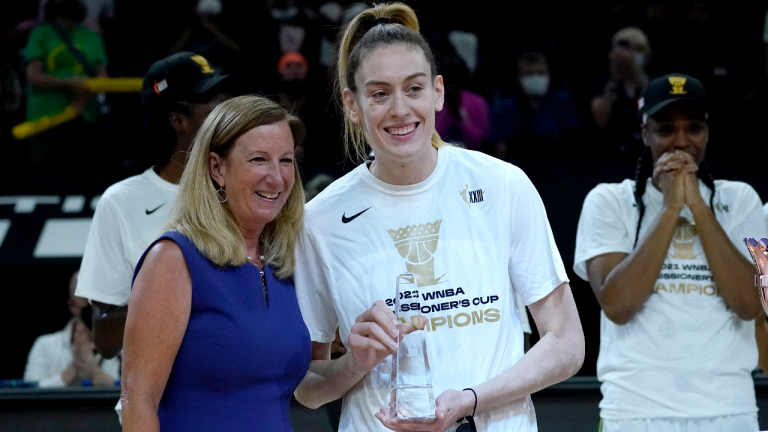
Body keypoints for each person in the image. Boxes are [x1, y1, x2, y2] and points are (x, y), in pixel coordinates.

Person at [292, 4, 585, 432]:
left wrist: (470, 401)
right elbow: (307, 387)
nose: (399, 109)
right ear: (351, 105)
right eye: (379, 93)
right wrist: (356, 361)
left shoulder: (503, 185)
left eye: (414, 88)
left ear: (438, 92)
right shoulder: (321, 219)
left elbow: (566, 343)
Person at [574, 73, 764, 432]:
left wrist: (698, 206)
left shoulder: (741, 200)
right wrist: (670, 209)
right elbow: (617, 305)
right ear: (645, 133)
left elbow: (751, 304)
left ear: (707, 132)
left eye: (693, 128)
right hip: (634, 413)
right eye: (665, 130)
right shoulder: (609, 201)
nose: (681, 142)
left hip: (730, 411)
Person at [121, 95, 310, 431]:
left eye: (285, 160)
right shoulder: (172, 259)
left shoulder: (284, 262)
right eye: (258, 159)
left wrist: (359, 360)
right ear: (216, 168)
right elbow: (138, 401)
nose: (277, 177)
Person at [74, 52, 233, 421]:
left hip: (245, 401)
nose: (228, 108)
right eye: (213, 100)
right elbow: (106, 338)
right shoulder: (122, 202)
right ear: (178, 119)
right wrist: (177, 296)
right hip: (160, 410)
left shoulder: (246, 188)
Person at [24, 0, 107, 186]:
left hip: (83, 116)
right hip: (46, 117)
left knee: (84, 175)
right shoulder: (40, 34)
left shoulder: (91, 37)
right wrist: (72, 84)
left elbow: (102, 78)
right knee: (44, 176)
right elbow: (33, 75)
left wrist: (81, 99)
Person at [24, 271, 120, 387]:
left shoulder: (122, 348)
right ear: (72, 306)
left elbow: (131, 395)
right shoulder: (45, 346)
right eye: (88, 301)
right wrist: (73, 368)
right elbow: (29, 395)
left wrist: (93, 371)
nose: (95, 309)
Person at [490, 51, 580, 161]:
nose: (536, 78)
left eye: (540, 73)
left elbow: (574, 141)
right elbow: (500, 148)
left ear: (548, 75)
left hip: (559, 167)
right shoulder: (506, 108)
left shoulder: (562, 101)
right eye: (529, 74)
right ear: (519, 77)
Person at [590, 27, 651, 160]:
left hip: (645, 154)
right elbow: (600, 121)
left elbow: (657, 115)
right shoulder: (602, 84)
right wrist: (614, 79)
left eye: (636, 50)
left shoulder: (653, 84)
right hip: (612, 156)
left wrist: (639, 77)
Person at [434, 55, 489, 151]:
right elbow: (428, 139)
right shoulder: (433, 101)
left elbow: (480, 142)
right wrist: (446, 115)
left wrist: (464, 122)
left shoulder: (477, 102)